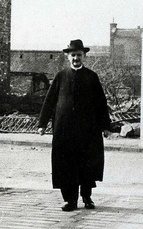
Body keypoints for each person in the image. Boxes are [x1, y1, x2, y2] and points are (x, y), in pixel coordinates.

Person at [37, 39, 111, 212]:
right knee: (66, 165)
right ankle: (70, 200)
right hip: (64, 131)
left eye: (79, 55)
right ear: (67, 57)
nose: (76, 58)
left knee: (87, 164)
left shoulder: (91, 77)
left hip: (88, 131)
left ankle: (87, 197)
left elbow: (101, 102)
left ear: (84, 56)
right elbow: (49, 101)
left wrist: (105, 126)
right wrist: (42, 123)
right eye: (73, 55)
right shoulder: (60, 76)